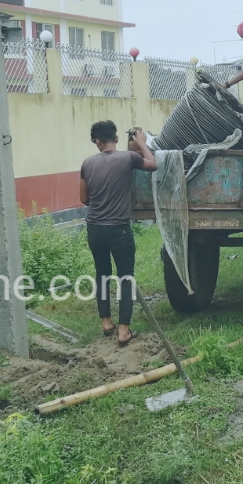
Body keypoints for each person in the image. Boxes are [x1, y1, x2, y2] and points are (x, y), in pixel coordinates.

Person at [79, 120, 157, 346]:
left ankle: (106, 321)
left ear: (97, 141)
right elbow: (152, 165)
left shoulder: (87, 163)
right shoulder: (128, 158)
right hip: (119, 230)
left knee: (102, 273)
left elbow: (83, 198)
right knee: (125, 276)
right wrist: (142, 143)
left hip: (94, 228)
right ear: (117, 139)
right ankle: (124, 329)